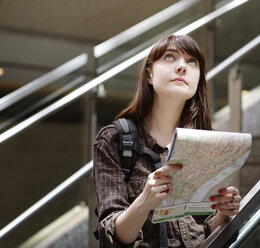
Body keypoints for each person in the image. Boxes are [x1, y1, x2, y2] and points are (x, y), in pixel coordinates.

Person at [93, 34, 241, 247]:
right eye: (170, 57)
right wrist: (145, 201)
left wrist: (223, 211)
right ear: (149, 74)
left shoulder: (206, 141)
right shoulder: (114, 140)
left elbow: (205, 229)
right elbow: (113, 237)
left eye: (192, 61)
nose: (182, 67)